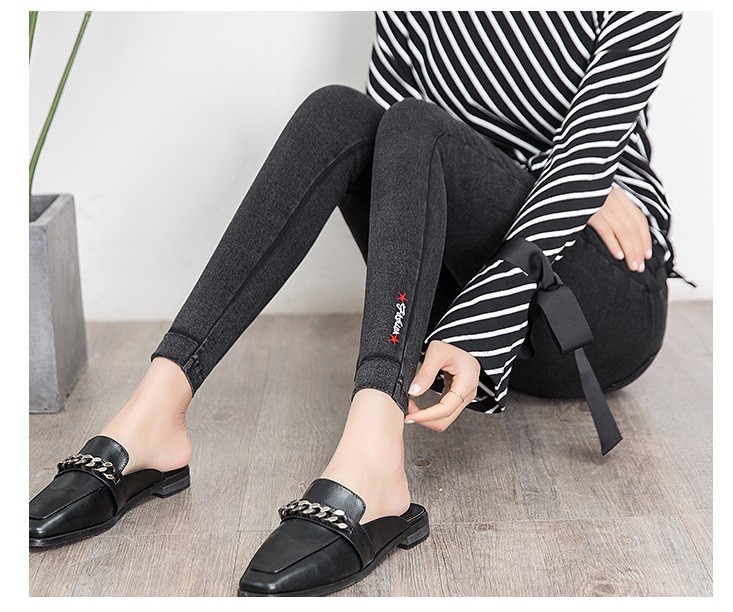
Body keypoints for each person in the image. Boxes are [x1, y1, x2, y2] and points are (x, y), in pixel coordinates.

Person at [29, 11, 690, 597]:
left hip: (593, 291)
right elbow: (396, 145)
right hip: (466, 275)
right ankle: (157, 410)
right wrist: (520, 182)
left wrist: (478, 318)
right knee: (340, 114)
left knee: (418, 124)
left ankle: (375, 464)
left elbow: (586, 154)